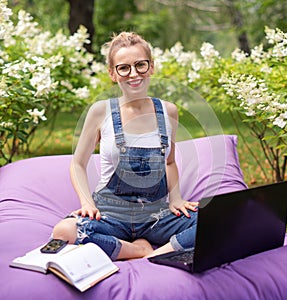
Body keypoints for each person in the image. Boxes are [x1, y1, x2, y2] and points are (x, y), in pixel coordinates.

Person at [52, 32, 198, 260]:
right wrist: (87, 203)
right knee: (64, 231)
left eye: (140, 65)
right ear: (112, 73)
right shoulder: (101, 111)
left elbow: (169, 162)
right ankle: (138, 250)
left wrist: (176, 198)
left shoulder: (169, 112)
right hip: (109, 215)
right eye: (124, 68)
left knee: (215, 221)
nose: (134, 74)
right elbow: (78, 164)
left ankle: (157, 254)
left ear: (151, 67)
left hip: (155, 216)